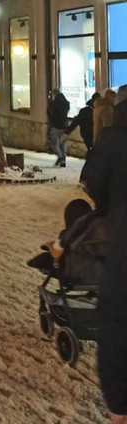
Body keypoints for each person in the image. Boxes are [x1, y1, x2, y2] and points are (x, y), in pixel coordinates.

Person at [80, 98, 127, 423]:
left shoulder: (113, 138)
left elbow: (92, 185)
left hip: (123, 246)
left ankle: (119, 411)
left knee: (115, 326)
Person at [47, 89, 70, 167]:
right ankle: (63, 161)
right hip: (64, 125)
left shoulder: (54, 103)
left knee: (53, 142)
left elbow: (49, 113)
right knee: (63, 143)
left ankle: (60, 157)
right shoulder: (66, 103)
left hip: (56, 125)